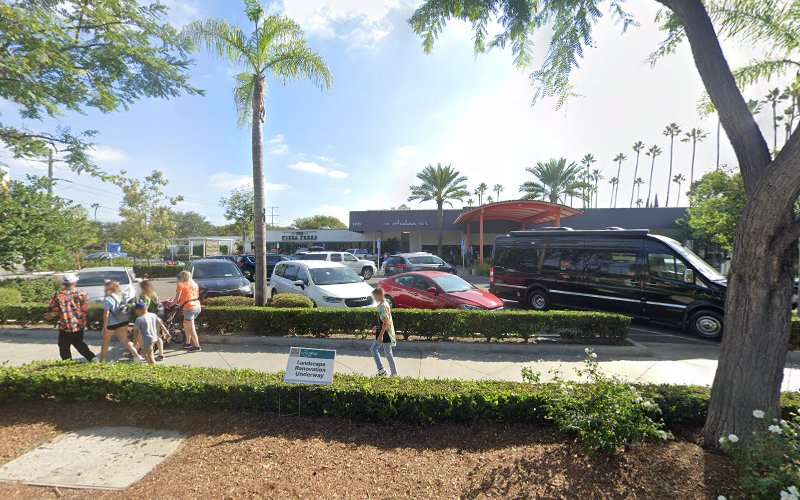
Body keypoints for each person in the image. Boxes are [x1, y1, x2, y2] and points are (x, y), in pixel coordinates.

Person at [47, 273, 96, 362]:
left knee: (64, 346)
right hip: (79, 325)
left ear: (64, 284)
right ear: (74, 282)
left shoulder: (58, 295)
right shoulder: (82, 293)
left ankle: (67, 363)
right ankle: (92, 358)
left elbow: (54, 310)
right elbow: (86, 309)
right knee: (79, 343)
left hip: (65, 326)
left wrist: (49, 316)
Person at [99, 280, 142, 362]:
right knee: (125, 340)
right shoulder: (120, 296)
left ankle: (102, 361)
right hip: (123, 321)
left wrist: (105, 326)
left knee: (106, 342)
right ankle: (137, 356)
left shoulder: (108, 299)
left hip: (111, 324)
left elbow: (106, 313)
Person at [369, 287, 397, 377]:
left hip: (385, 333)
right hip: (384, 331)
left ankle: (390, 373)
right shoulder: (385, 303)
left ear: (379, 295)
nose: (374, 298)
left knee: (385, 352)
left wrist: (380, 335)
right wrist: (376, 327)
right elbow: (384, 321)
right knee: (381, 351)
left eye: (375, 296)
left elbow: (386, 322)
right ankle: (384, 371)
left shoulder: (383, 306)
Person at [175, 270, 201, 352]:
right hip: (197, 306)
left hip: (188, 307)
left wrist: (171, 304)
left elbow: (177, 299)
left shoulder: (181, 284)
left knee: (191, 327)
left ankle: (197, 346)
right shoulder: (194, 284)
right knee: (186, 324)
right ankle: (188, 343)